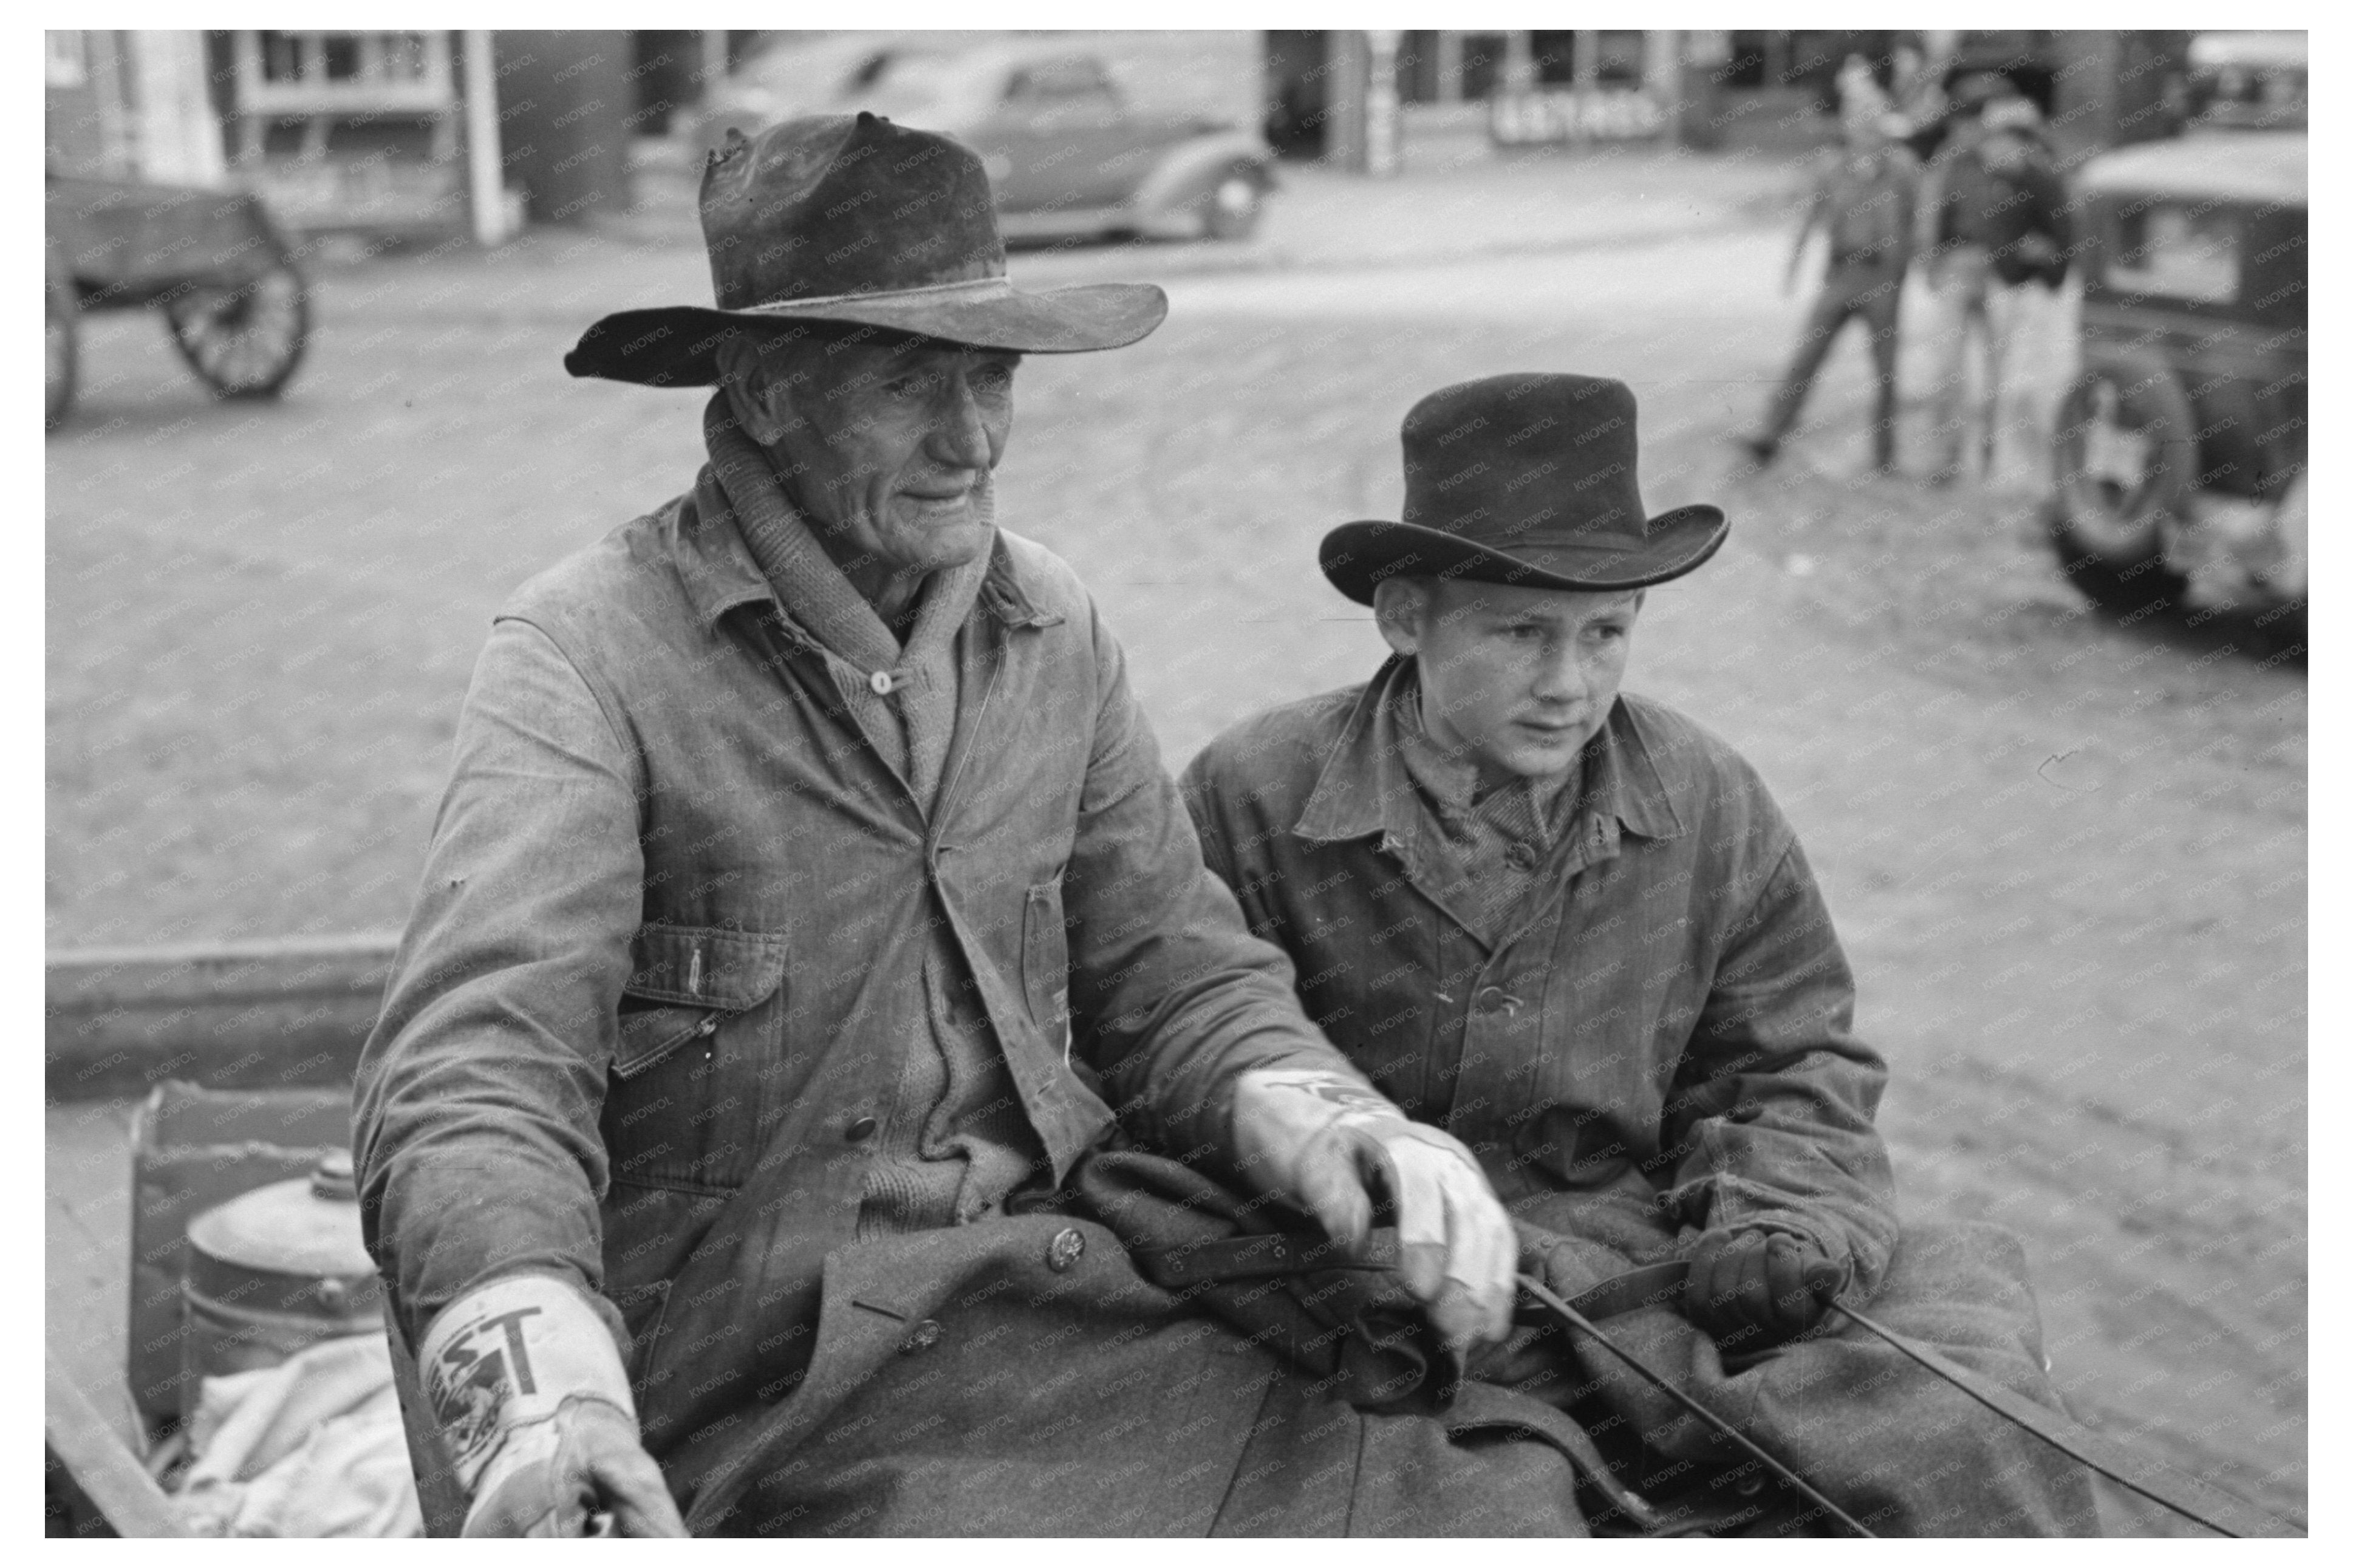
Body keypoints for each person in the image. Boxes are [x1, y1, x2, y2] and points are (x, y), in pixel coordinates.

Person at [353, 114, 1548, 1538]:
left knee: (1479, 1470)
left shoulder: (1051, 628)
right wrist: (548, 1395)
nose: (972, 436)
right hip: (744, 1390)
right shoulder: (586, 654)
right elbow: (474, 1068)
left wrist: (1331, 1117)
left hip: (1030, 1298)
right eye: (909, 376)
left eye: (990, 371)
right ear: (767, 387)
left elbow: (1170, 972)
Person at [1181, 372, 2104, 1536]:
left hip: (1640, 1277)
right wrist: (1353, 1207)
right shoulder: (1252, 792)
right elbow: (1181, 1048)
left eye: (1604, 633)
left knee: (1968, 1424)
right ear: (1404, 614)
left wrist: (1778, 1223)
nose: (1567, 684)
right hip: (1359, 1284)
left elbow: (1792, 1068)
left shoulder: (1706, 798)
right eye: (1519, 631)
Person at [1735, 113, 1919, 473]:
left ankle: (1885, 457)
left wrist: (1907, 267)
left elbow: (1919, 221)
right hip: (1841, 273)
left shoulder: (1902, 172)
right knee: (1807, 357)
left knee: (1885, 371)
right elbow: (1810, 219)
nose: (1870, 139)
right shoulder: (1833, 171)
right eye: (1863, 131)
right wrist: (1794, 267)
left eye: (1877, 133)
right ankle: (1769, 436)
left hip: (1882, 277)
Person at [1915, 91, 2073, 485]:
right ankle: (1947, 459)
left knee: (2006, 378)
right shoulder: (1959, 165)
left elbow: (2056, 233)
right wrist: (1932, 261)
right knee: (1948, 369)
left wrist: (2038, 258)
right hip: (1966, 269)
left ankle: (1999, 462)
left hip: (2009, 281)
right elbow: (1937, 215)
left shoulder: (2033, 173)